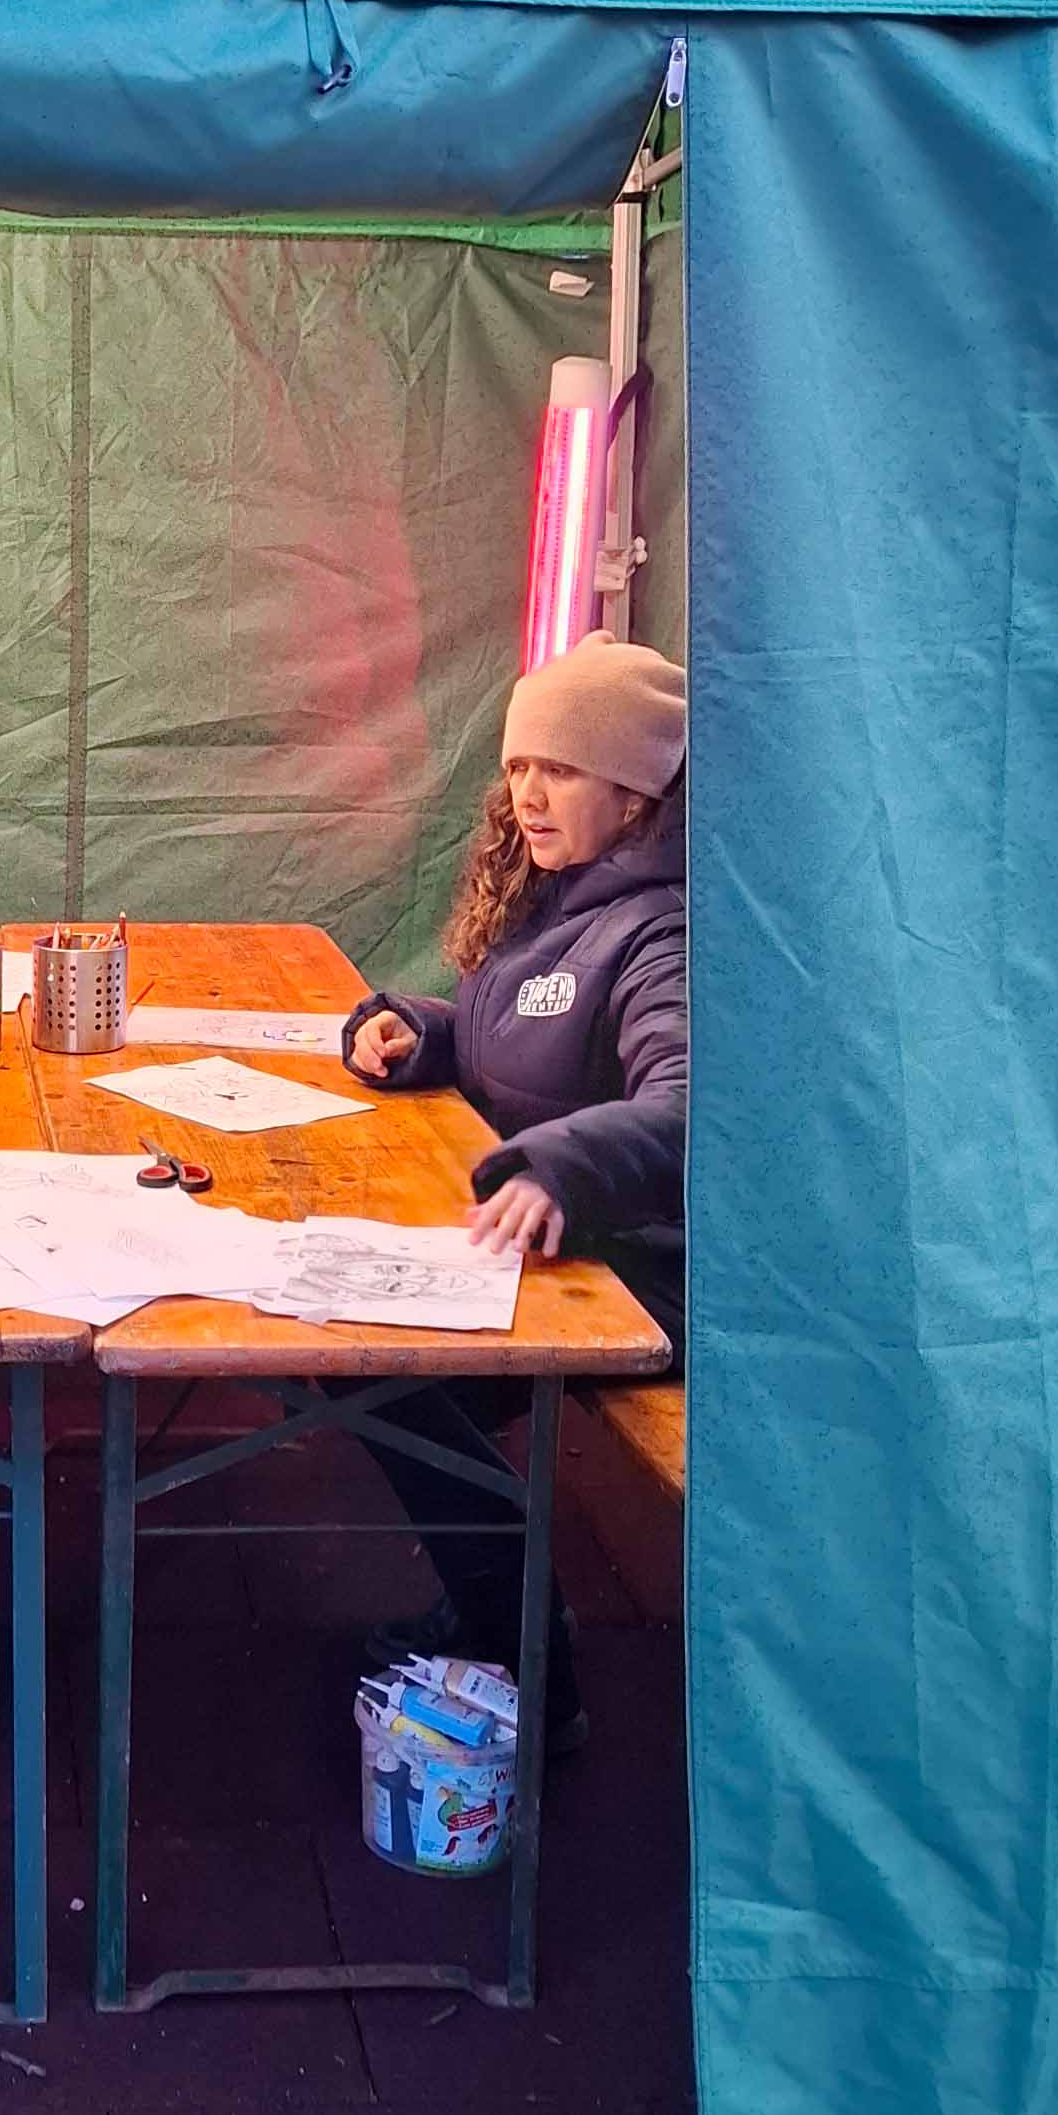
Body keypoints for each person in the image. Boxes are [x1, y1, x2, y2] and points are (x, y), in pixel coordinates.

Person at [342, 634, 689, 1717]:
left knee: (381, 1371)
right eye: (521, 767)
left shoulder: (664, 928)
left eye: (564, 771)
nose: (529, 797)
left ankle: (529, 1662)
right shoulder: (551, 897)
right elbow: (517, 1044)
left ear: (637, 793)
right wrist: (417, 1033)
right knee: (370, 1364)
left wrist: (559, 1171)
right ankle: (506, 1624)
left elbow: (695, 1105)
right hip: (565, 1247)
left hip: (644, 1270)